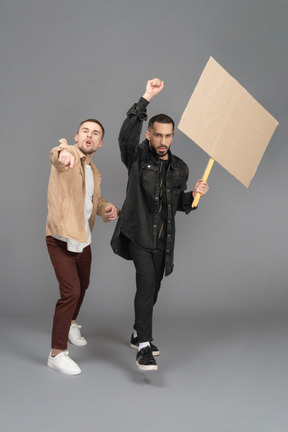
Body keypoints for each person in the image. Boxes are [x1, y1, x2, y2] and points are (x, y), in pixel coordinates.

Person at [111, 79, 209, 371]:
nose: (163, 141)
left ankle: (136, 333)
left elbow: (178, 204)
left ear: (173, 136)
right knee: (146, 285)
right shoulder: (138, 157)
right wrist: (146, 98)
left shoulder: (180, 167)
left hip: (164, 241)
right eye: (158, 135)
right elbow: (125, 138)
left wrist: (195, 196)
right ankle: (144, 347)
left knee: (154, 289)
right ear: (150, 135)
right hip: (138, 232)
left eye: (168, 136)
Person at [46, 119, 118, 375]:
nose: (90, 135)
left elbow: (94, 200)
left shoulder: (93, 170)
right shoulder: (69, 158)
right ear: (77, 136)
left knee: (83, 284)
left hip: (83, 239)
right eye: (85, 131)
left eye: (96, 133)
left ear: (100, 143)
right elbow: (57, 154)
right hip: (61, 238)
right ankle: (57, 353)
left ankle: (71, 324)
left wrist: (105, 208)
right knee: (71, 293)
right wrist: (63, 153)